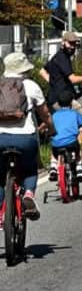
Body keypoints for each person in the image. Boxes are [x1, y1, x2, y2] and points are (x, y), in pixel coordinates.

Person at [0, 52, 52, 221]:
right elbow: (45, 114)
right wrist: (51, 129)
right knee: (30, 169)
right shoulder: (31, 85)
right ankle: (28, 194)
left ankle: (1, 210)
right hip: (25, 139)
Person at [39, 31, 82, 114]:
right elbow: (73, 79)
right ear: (63, 42)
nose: (72, 47)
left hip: (57, 98)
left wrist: (54, 83)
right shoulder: (63, 58)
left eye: (74, 44)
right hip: (61, 100)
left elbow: (42, 71)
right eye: (70, 43)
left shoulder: (58, 56)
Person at [48, 89, 82, 181]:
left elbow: (49, 126)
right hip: (72, 143)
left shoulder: (54, 115)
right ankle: (79, 166)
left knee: (54, 151)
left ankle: (53, 166)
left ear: (58, 104)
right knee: (77, 148)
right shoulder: (74, 113)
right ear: (71, 103)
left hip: (57, 145)